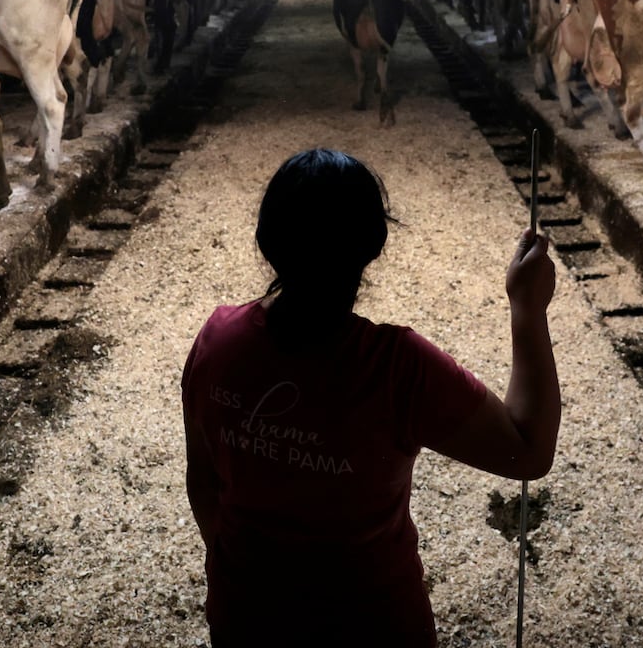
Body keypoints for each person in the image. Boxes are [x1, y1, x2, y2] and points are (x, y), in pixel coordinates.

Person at [181, 147, 559, 646]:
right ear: (373, 246)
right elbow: (527, 451)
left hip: (246, 617)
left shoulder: (217, 341)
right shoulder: (397, 366)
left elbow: (203, 485)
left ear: (266, 241)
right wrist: (527, 307)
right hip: (374, 624)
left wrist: (257, 583)